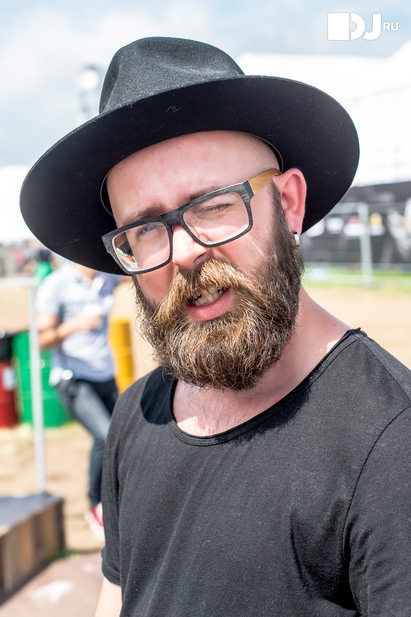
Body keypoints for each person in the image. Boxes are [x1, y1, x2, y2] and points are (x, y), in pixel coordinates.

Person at [21, 37, 410, 616]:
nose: (183, 252)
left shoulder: (392, 446)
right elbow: (119, 596)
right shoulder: (138, 412)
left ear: (289, 202)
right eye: (146, 228)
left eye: (213, 204)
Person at [36, 260, 120, 540]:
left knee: (123, 437)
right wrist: (74, 326)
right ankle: (95, 504)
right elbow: (41, 340)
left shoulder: (107, 277)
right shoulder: (56, 285)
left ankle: (118, 502)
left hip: (105, 373)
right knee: (105, 436)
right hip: (73, 377)